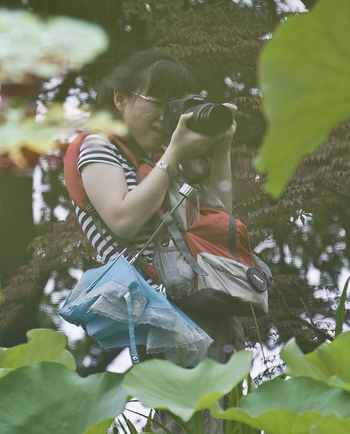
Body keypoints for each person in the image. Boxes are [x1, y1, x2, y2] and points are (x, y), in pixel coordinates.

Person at [73, 49, 245, 368]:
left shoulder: (157, 163)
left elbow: (219, 224)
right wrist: (175, 153)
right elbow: (123, 219)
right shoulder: (97, 146)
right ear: (120, 99)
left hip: (200, 300)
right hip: (162, 314)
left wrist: (222, 151)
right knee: (191, 414)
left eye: (174, 105)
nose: (167, 116)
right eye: (158, 103)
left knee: (219, 413)